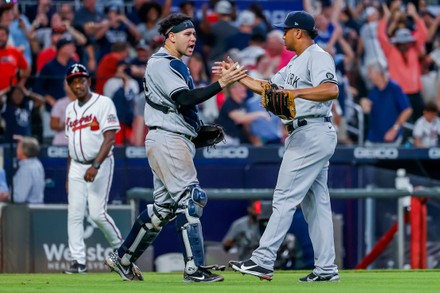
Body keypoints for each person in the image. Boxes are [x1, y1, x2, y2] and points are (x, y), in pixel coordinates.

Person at [104, 13, 246, 282]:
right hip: (168, 138)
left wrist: (195, 131)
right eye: (186, 34)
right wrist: (222, 84)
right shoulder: (162, 63)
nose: (193, 38)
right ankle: (194, 269)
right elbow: (183, 98)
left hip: (170, 137)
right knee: (191, 199)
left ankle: (122, 258)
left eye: (194, 34)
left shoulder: (173, 63)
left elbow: (181, 106)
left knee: (163, 210)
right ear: (170, 37)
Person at [217, 11, 341, 282]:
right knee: (316, 206)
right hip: (305, 133)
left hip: (312, 131)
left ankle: (263, 260)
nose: (283, 34)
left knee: (284, 197)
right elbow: (268, 88)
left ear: (298, 32)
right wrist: (237, 76)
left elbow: (331, 89)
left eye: (285, 30)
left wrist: (293, 93)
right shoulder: (295, 63)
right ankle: (326, 269)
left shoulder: (318, 56)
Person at [62, 63, 127, 275]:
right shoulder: (70, 109)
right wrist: (68, 174)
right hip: (77, 166)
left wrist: (96, 166)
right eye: (73, 81)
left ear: (88, 81)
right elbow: (71, 146)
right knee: (74, 214)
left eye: (81, 80)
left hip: (100, 162)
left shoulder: (103, 103)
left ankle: (123, 253)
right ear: (70, 85)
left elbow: (110, 139)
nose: (78, 84)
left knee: (98, 214)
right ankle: (78, 262)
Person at [360, 60, 413, 146]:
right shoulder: (373, 91)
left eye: (370, 73)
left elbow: (407, 110)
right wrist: (363, 103)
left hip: (391, 139)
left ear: (378, 72)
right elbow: (367, 110)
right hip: (373, 139)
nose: (368, 76)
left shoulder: (394, 88)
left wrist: (395, 129)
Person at [11, 136, 45, 204]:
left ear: (23, 151)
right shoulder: (38, 164)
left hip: (26, 211)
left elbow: (19, 198)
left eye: (18, 147)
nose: (16, 150)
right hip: (36, 209)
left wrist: (6, 196)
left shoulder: (26, 169)